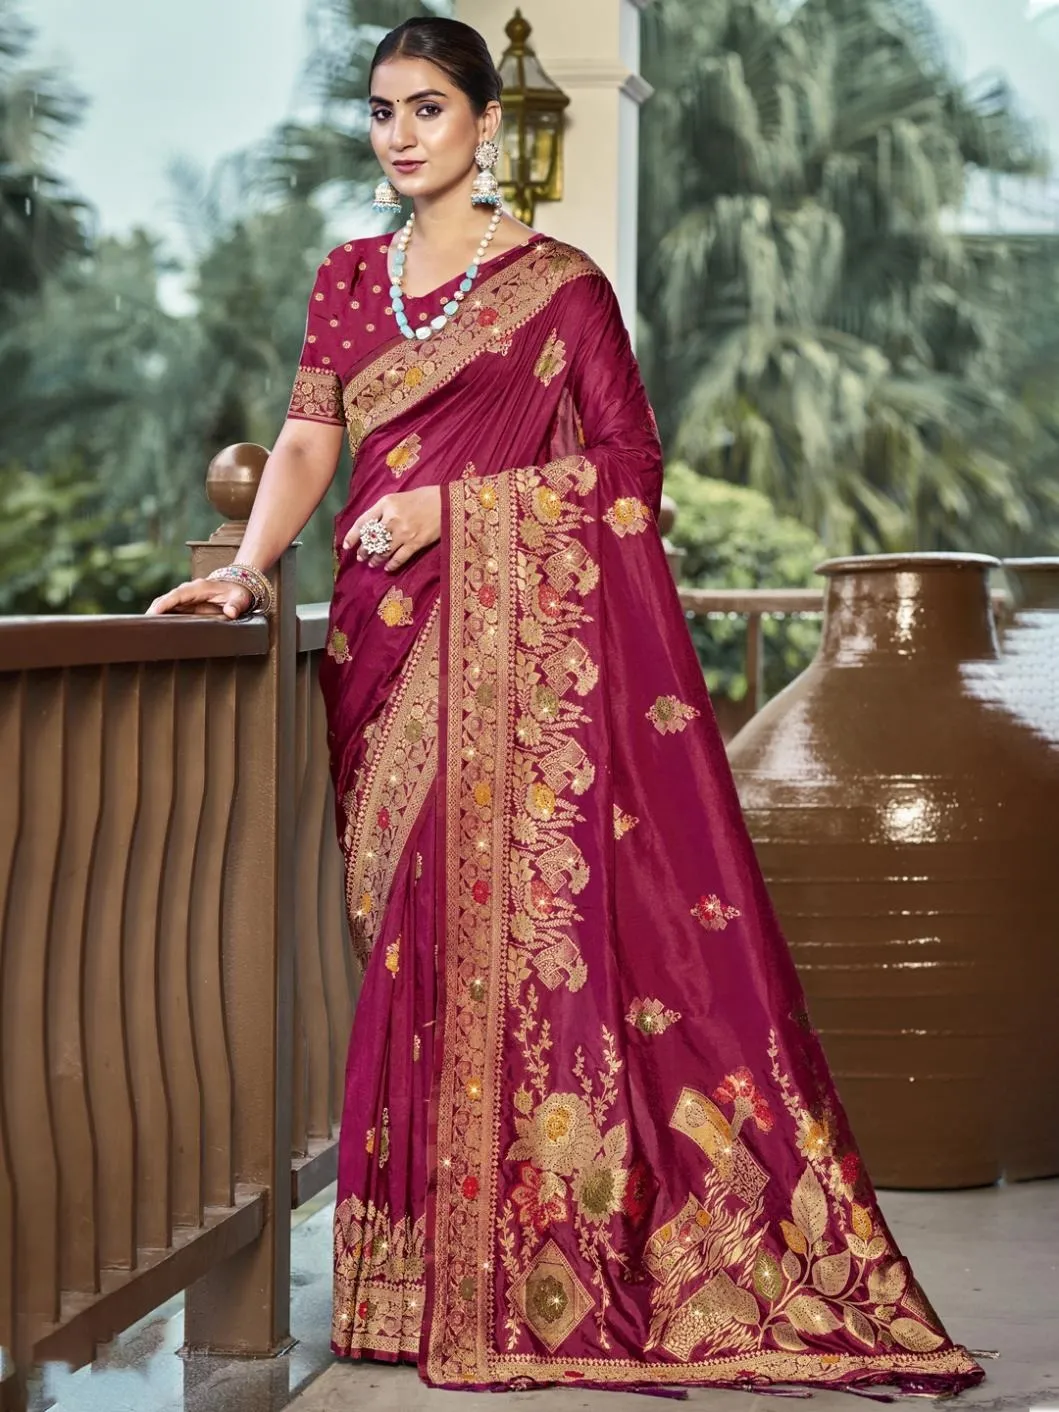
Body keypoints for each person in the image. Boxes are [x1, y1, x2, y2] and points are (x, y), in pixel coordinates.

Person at [147, 15, 984, 1398]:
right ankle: (420, 1281)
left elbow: (629, 468)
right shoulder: (347, 280)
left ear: (485, 124)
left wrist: (454, 510)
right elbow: (304, 442)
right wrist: (244, 570)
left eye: (428, 107)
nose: (400, 133)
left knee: (501, 946)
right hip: (381, 657)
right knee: (409, 950)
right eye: (382, 110)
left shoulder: (557, 287)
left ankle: (538, 1262)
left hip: (511, 666)